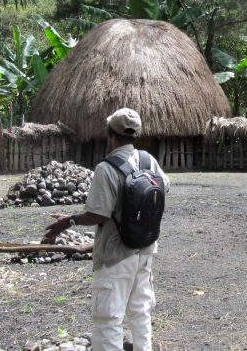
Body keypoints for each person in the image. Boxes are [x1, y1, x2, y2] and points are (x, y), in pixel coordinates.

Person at [44, 107, 170, 351]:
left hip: (116, 253)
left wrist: (68, 221)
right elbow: (164, 187)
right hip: (145, 248)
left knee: (109, 319)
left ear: (110, 134)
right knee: (140, 310)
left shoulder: (106, 168)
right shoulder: (148, 160)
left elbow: (98, 215)